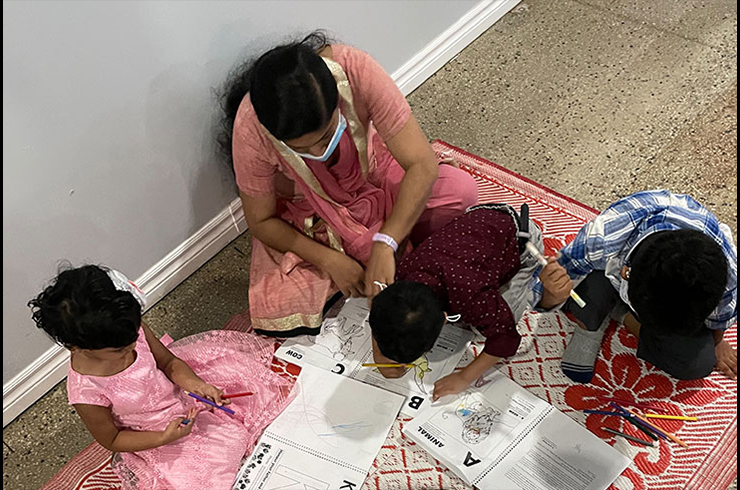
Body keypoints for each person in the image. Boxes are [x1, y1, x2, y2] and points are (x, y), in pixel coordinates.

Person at [219, 31, 478, 337]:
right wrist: (330, 260)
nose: (319, 152)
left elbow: (422, 164)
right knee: (294, 294)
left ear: (338, 104)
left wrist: (387, 240)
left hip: (374, 172)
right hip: (313, 211)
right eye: (302, 149)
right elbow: (261, 221)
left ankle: (389, 242)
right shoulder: (251, 129)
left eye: (326, 136)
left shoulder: (356, 72)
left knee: (459, 193)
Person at [28, 265, 295, 490]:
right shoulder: (85, 391)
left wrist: (197, 385)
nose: (133, 348)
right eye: (119, 350)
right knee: (206, 476)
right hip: (154, 431)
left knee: (256, 395)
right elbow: (112, 439)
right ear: (77, 347)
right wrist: (163, 438)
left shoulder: (125, 329)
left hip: (180, 392)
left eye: (134, 339)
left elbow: (167, 361)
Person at [368, 203, 573, 400]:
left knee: (490, 323)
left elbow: (506, 338)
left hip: (522, 241)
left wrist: (464, 378)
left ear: (445, 318)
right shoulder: (402, 274)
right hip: (479, 219)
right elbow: (383, 312)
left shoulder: (472, 297)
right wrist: (380, 352)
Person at [541, 190, 738, 382]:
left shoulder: (727, 272)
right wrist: (551, 293)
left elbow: (721, 317)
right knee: (572, 290)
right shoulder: (603, 237)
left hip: (649, 292)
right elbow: (547, 282)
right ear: (626, 273)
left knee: (698, 363)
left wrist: (718, 341)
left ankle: (618, 313)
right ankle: (589, 322)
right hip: (607, 273)